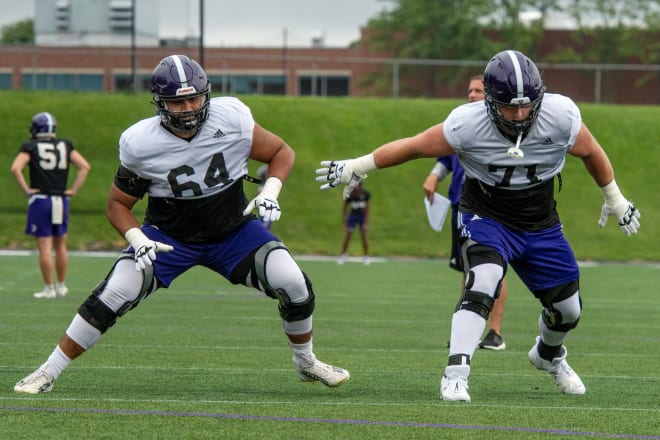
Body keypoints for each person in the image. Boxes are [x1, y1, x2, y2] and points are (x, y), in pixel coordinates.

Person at [315, 49, 640, 402]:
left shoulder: (561, 116)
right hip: (487, 214)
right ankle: (456, 374)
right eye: (508, 106)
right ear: (488, 101)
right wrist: (360, 165)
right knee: (483, 281)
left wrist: (615, 198)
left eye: (525, 105)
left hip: (540, 220)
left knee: (568, 310)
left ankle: (548, 355)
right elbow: (414, 147)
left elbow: (591, 152)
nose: (518, 115)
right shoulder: (466, 123)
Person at [14, 54, 349, 394]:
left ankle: (305, 361)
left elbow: (282, 152)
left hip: (232, 231)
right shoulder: (140, 143)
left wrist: (271, 191)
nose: (188, 107)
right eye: (177, 101)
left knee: (293, 281)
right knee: (115, 291)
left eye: (194, 97)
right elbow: (117, 204)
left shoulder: (232, 118)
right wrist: (137, 237)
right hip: (168, 238)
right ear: (160, 103)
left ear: (207, 94)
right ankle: (48, 371)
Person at [422, 75, 507, 350]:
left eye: (478, 90)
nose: (471, 95)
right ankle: (466, 331)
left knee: (495, 270)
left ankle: (494, 332)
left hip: (492, 206)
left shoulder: (502, 126)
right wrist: (435, 176)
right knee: (468, 270)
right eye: (469, 90)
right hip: (462, 204)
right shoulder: (462, 122)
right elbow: (445, 157)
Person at [10, 112, 90, 299]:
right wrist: (73, 189)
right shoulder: (65, 145)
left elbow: (16, 168)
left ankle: (49, 288)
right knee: (60, 245)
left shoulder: (30, 146)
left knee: (45, 248)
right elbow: (84, 166)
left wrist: (27, 190)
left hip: (41, 200)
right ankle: (61, 286)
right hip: (61, 200)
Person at [337, 182, 371, 265]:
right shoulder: (350, 195)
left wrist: (366, 222)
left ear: (361, 186)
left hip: (361, 217)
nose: (356, 188)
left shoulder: (365, 194)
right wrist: (344, 221)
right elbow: (345, 208)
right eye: (354, 186)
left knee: (364, 236)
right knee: (348, 235)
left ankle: (366, 256)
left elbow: (367, 209)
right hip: (352, 216)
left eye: (358, 186)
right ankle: (343, 255)